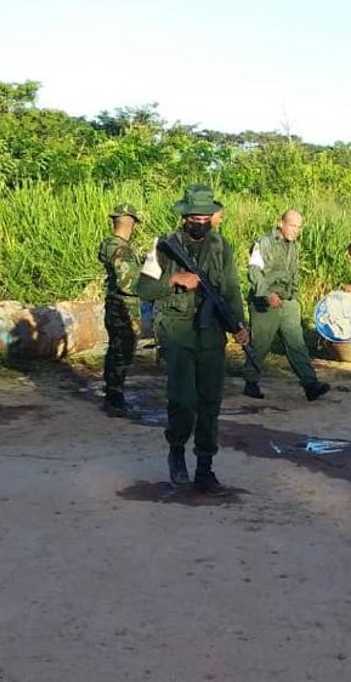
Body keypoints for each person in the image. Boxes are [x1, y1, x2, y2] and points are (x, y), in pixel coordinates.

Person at [136, 185, 250, 493]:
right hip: (176, 330)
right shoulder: (164, 246)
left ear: (213, 217)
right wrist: (173, 280)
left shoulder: (221, 247)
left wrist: (239, 324)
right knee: (183, 400)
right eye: (194, 217)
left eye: (205, 217)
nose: (200, 222)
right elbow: (143, 289)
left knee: (210, 401)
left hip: (211, 333)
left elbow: (231, 290)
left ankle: (204, 466)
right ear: (184, 216)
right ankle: (176, 452)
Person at [242, 209, 330, 401]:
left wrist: (295, 296)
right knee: (261, 342)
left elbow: (294, 273)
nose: (295, 230)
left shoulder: (294, 247)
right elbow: (254, 271)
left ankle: (310, 383)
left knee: (296, 342)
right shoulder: (264, 243)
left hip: (287, 301)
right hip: (265, 300)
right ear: (281, 223)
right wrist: (266, 293)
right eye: (292, 225)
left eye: (299, 227)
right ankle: (250, 381)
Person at [97, 203, 143, 416]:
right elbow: (128, 283)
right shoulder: (122, 249)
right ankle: (114, 398)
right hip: (124, 307)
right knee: (121, 352)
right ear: (131, 224)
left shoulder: (109, 244)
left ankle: (113, 394)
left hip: (114, 304)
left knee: (116, 349)